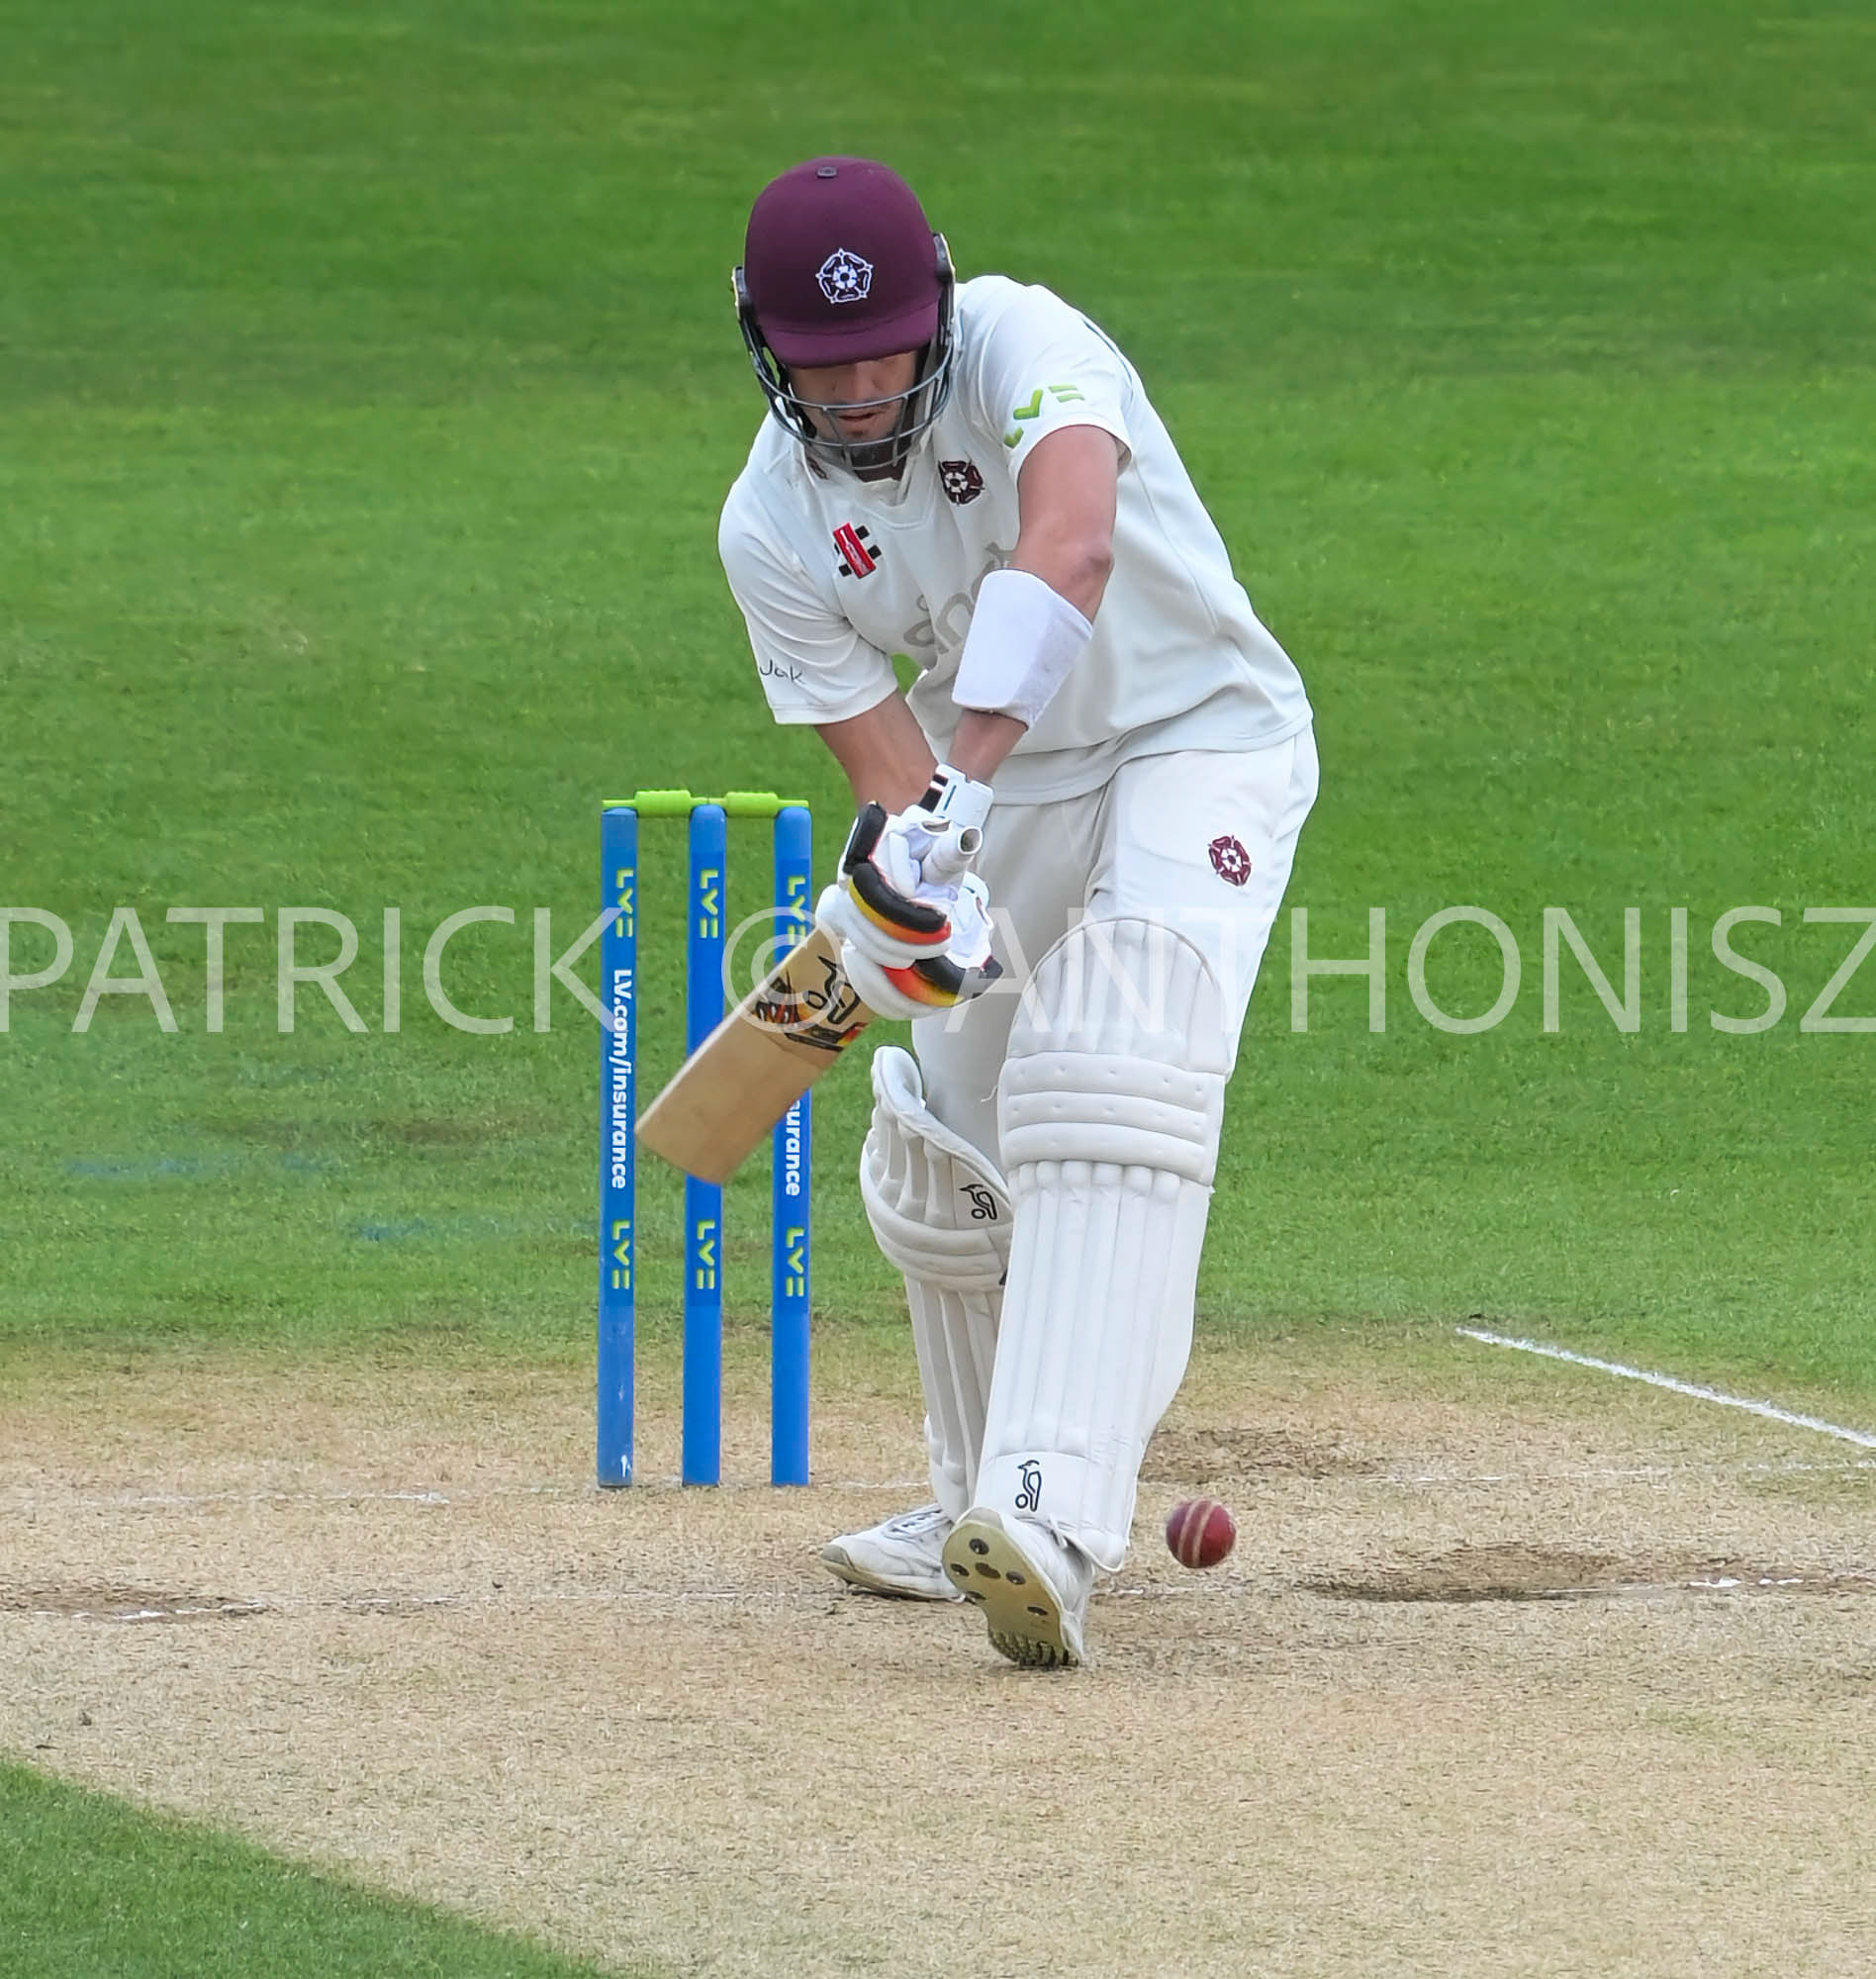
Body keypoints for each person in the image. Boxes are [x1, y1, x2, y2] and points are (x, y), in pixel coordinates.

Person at [718, 156, 1317, 1667]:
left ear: (936, 308)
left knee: (1108, 1066)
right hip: (1004, 799)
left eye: (884, 351)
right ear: (760, 347)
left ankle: (1051, 1513)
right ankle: (971, 1502)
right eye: (819, 365)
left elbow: (1074, 547)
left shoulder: (1029, 343)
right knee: (943, 1143)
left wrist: (953, 796)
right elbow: (887, 772)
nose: (858, 389)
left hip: (1200, 733)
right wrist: (911, 900)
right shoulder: (771, 532)